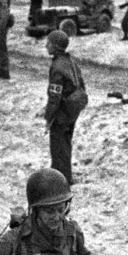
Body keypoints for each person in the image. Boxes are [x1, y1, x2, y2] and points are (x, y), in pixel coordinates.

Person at [43, 30, 86, 185]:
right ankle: (64, 174)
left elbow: (54, 96)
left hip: (63, 110)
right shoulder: (71, 61)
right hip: (73, 107)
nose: (46, 45)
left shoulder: (57, 67)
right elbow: (81, 84)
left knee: (58, 144)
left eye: (48, 43)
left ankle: (61, 178)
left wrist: (49, 117)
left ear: (55, 47)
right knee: (66, 142)